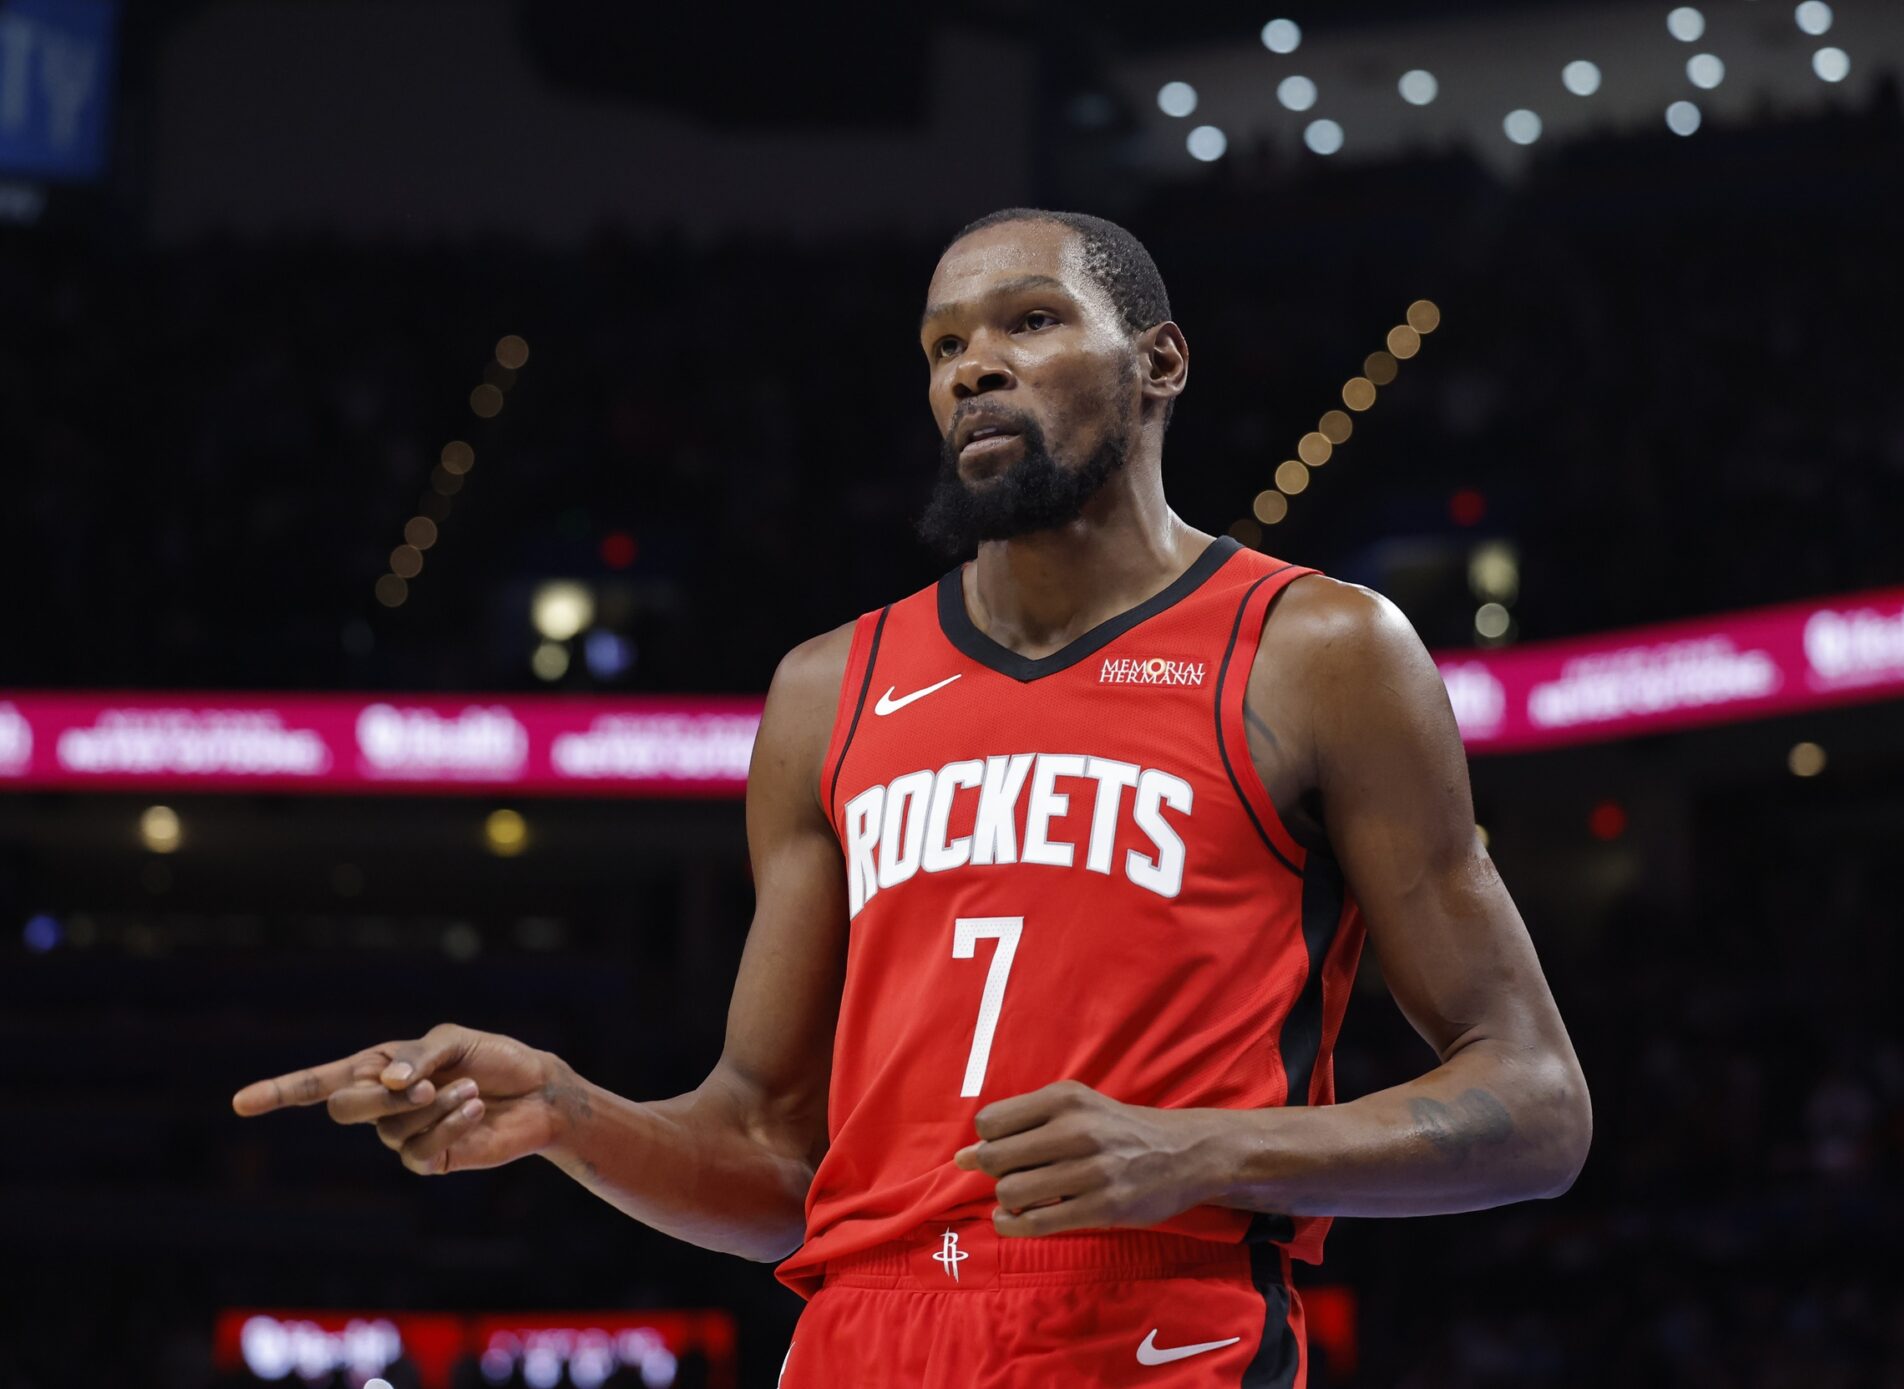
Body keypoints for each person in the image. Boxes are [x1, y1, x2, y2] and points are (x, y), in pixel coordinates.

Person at [233, 208, 1592, 1387]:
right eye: (944, 346)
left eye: (1031, 320)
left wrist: (1204, 1150)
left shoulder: (1321, 650)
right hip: (858, 1335)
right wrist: (568, 1113)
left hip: (1155, 1327)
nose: (975, 365)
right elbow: (771, 1155)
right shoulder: (829, 690)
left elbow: (1536, 1101)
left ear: (1159, 362)